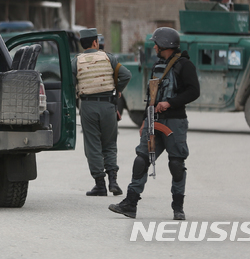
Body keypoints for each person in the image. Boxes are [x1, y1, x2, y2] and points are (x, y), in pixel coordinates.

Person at [109, 27, 199, 220]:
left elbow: (194, 91)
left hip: (175, 122)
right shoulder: (157, 65)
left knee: (176, 163)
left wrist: (170, 103)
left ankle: (178, 208)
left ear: (164, 44)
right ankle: (130, 204)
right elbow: (151, 96)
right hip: (154, 121)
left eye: (157, 43)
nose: (155, 47)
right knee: (141, 159)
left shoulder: (184, 65)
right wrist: (144, 121)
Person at [72, 28, 131, 197]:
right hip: (108, 106)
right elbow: (126, 75)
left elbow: (70, 82)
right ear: (95, 43)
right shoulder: (108, 58)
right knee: (110, 144)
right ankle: (113, 181)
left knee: (93, 146)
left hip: (88, 106)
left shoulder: (76, 61)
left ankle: (100, 185)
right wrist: (118, 90)